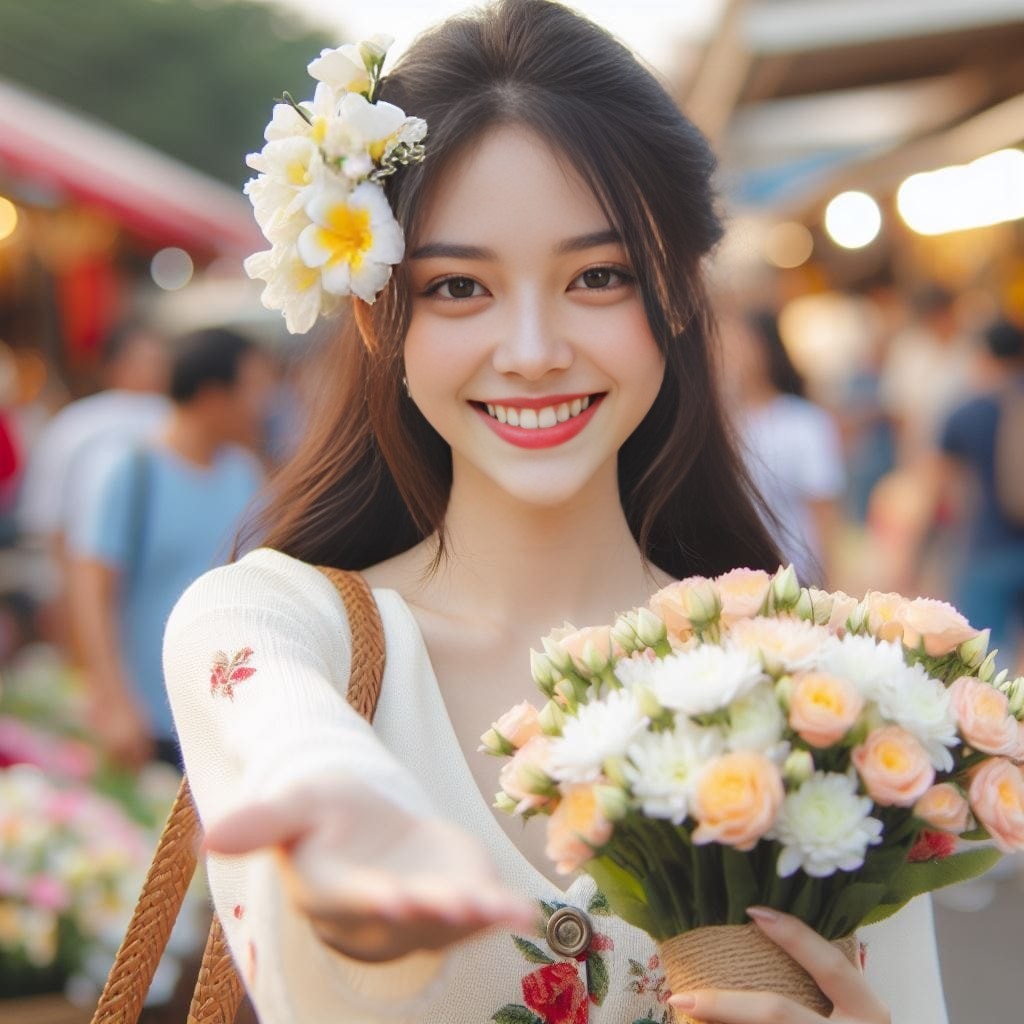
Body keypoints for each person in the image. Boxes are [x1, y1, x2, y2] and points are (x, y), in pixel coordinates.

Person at [163, 3, 946, 1022]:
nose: (531, 348)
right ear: (373, 308)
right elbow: (285, 733)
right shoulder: (278, 627)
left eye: (597, 276)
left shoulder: (830, 701)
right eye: (456, 286)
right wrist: (351, 809)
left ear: (673, 289)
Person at [70, 328, 270, 770]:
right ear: (213, 395)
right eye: (253, 388)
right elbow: (91, 594)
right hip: (149, 716)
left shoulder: (244, 474)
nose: (263, 404)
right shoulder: (132, 472)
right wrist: (114, 701)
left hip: (226, 713)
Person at [15, 321, 171, 644]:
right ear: (114, 365)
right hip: (89, 580)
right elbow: (50, 519)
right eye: (143, 360)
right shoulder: (76, 425)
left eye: (159, 361)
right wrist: (69, 592)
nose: (153, 371)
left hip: (165, 583)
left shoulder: (173, 418)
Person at [719, 308, 846, 588]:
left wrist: (831, 586)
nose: (728, 354)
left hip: (795, 575)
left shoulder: (804, 422)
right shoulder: (714, 427)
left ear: (765, 348)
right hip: (730, 583)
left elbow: (824, 510)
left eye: (739, 343)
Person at [934, 318, 1024, 670]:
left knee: (985, 663)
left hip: (986, 549)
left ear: (985, 356)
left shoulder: (968, 411)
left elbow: (937, 488)